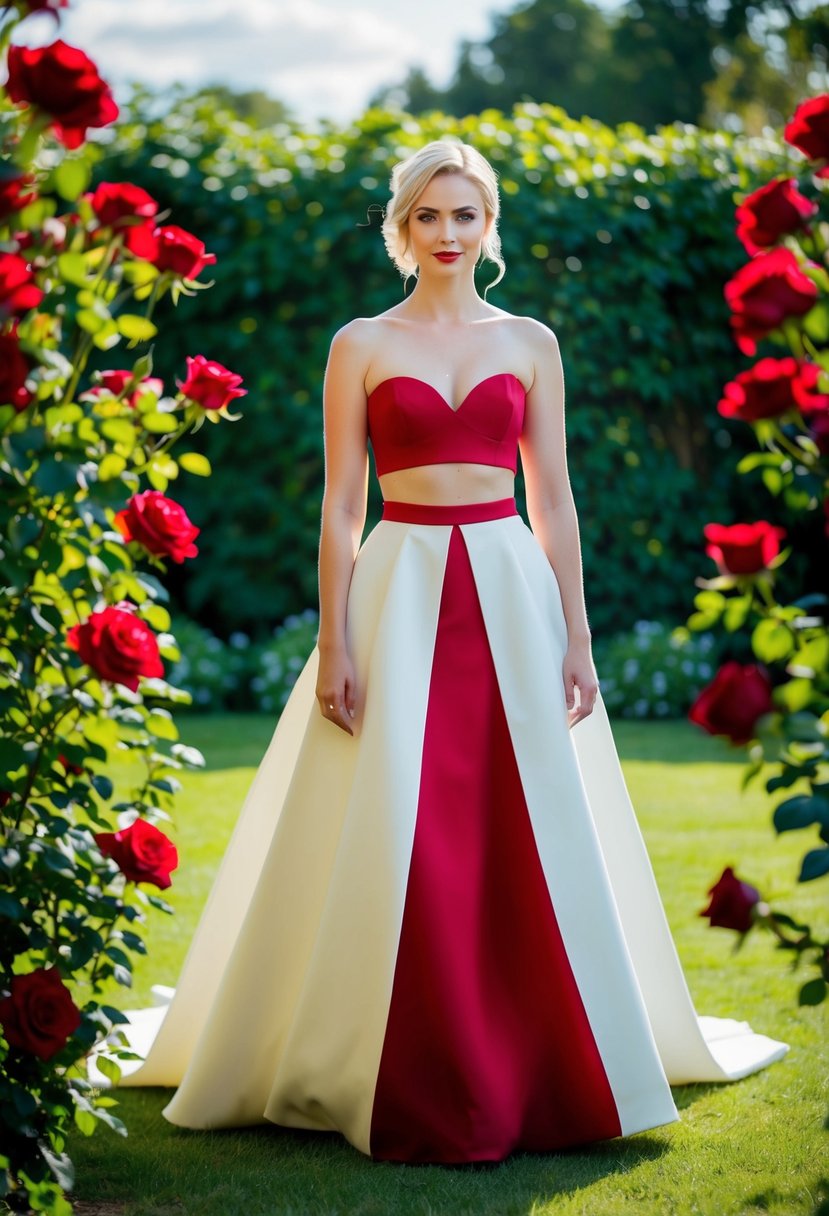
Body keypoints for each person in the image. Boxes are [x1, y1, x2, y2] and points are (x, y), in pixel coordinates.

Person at [90, 138, 789, 1165]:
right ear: (402, 229)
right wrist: (335, 639)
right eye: (430, 216)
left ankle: (546, 1044)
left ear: (488, 225)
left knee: (526, 822)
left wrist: (579, 636)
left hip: (510, 587)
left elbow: (553, 497)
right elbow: (338, 505)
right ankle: (357, 1045)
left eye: (466, 216)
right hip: (398, 584)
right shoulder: (359, 342)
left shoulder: (533, 342)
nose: (449, 234)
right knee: (384, 818)